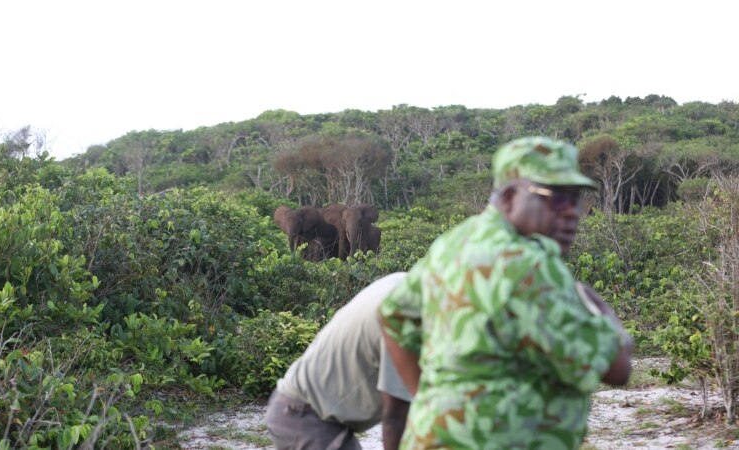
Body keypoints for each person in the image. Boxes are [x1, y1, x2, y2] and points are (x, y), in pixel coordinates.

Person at [379, 136, 633, 449]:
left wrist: (430, 399)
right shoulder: (529, 265)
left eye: (575, 197)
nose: (571, 212)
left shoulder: (453, 243)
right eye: (554, 197)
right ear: (511, 197)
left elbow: (392, 315)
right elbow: (617, 369)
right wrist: (602, 312)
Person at [266, 272, 413, 450]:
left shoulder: (401, 282)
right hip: (306, 417)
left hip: (301, 410)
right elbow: (396, 419)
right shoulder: (406, 316)